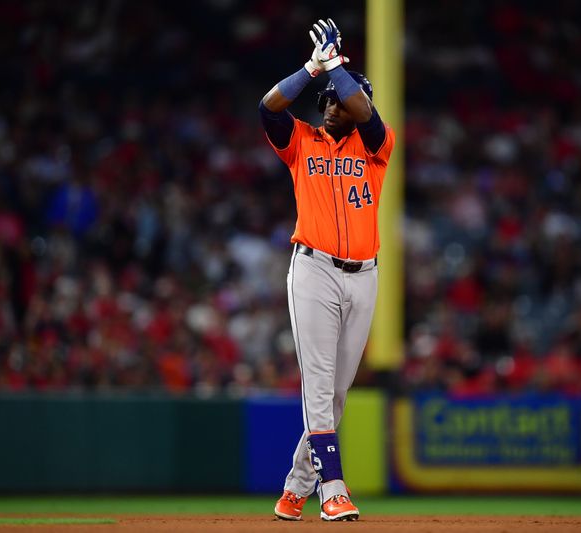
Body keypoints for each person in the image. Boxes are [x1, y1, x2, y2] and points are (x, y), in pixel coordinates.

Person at [259, 18, 395, 522]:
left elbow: (366, 111)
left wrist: (338, 68)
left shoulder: (377, 146)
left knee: (336, 394)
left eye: (354, 98)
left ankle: (294, 488)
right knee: (318, 384)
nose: (346, 103)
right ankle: (331, 489)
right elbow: (267, 106)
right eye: (337, 96)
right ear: (324, 101)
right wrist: (313, 67)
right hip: (314, 269)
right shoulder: (302, 141)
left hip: (365, 274)